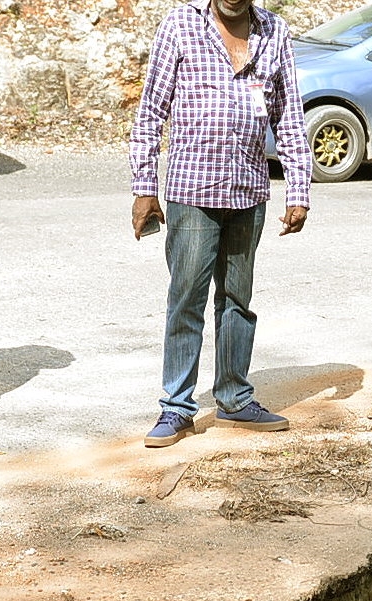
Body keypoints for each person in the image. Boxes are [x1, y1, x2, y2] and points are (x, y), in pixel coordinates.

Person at [128, 0, 312, 449]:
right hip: (193, 190)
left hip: (248, 189)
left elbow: (288, 115)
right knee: (186, 297)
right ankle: (176, 408)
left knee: (237, 298)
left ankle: (233, 396)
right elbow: (152, 110)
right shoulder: (181, 24)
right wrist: (144, 185)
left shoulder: (274, 32)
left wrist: (298, 189)